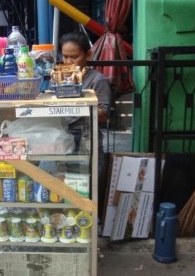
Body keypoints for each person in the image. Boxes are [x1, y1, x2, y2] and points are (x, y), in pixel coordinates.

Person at [59, 31, 112, 217]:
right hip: (63, 143)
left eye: (74, 56)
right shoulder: (59, 78)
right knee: (66, 188)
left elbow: (104, 113)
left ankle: (89, 235)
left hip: (87, 144)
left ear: (87, 55)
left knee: (87, 191)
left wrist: (75, 109)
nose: (68, 61)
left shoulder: (97, 80)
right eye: (65, 56)